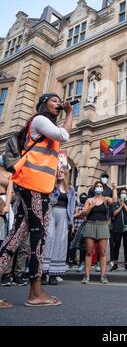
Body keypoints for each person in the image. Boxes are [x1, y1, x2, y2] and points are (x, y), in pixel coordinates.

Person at [0, 93, 72, 308]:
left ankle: (35, 290)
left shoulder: (44, 128)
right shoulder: (40, 120)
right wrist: (69, 112)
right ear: (43, 104)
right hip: (34, 186)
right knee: (38, 236)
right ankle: (36, 292)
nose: (58, 103)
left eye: (60, 101)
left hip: (34, 186)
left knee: (15, 235)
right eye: (54, 100)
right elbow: (64, 135)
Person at [42, 165, 76, 285]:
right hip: (52, 213)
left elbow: (71, 206)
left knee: (60, 242)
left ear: (66, 173)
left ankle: (53, 274)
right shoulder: (53, 185)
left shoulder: (70, 189)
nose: (59, 174)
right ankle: (43, 273)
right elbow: (49, 201)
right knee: (49, 240)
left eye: (62, 172)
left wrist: (71, 221)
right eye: (58, 172)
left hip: (63, 215)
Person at [80, 181, 117, 284]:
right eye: (97, 186)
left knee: (102, 252)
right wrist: (90, 207)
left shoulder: (105, 199)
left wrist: (114, 189)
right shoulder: (89, 200)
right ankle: (86, 276)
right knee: (89, 252)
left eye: (101, 186)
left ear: (103, 189)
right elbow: (84, 213)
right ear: (94, 188)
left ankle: (103, 275)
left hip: (102, 226)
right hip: (90, 224)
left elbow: (114, 201)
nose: (99, 188)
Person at [110, 188, 127, 271]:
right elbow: (114, 213)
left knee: (126, 246)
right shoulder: (115, 204)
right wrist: (120, 206)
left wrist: (124, 204)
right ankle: (115, 264)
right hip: (117, 227)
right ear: (120, 194)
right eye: (122, 192)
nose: (123, 194)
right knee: (116, 245)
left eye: (125, 193)